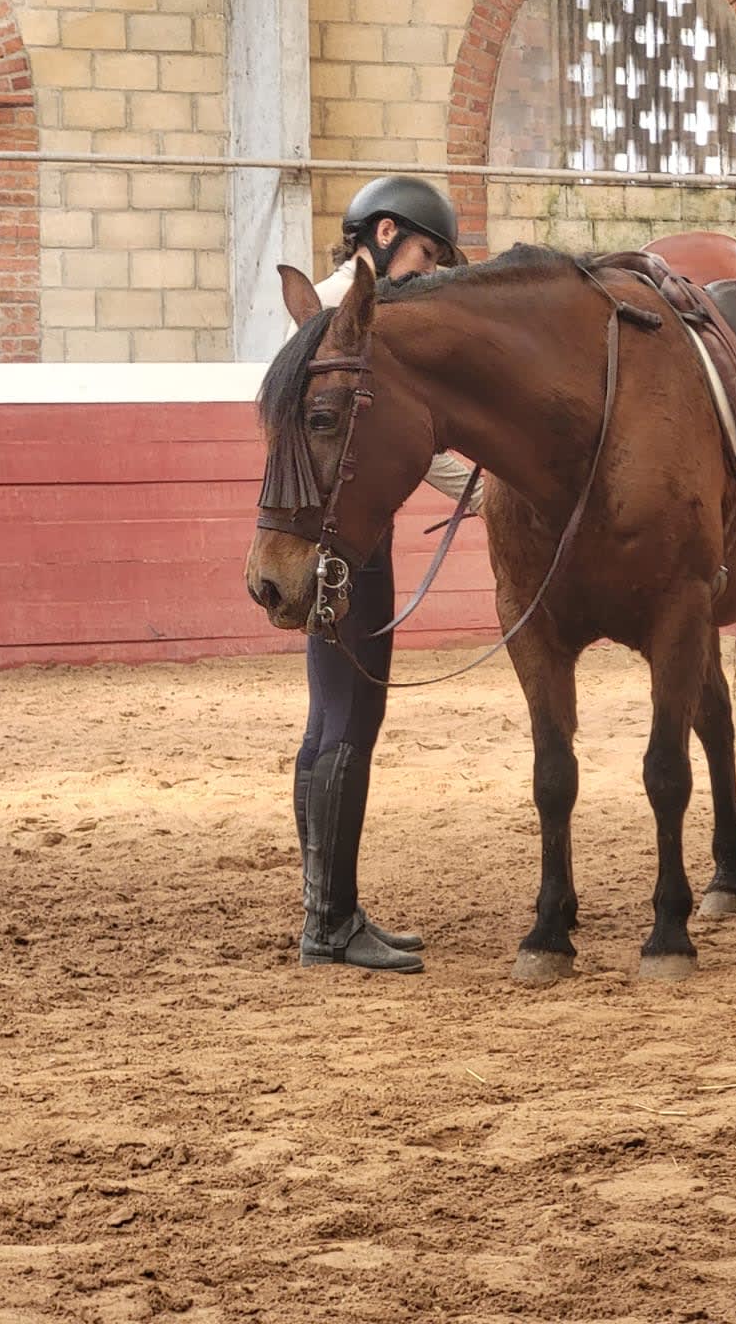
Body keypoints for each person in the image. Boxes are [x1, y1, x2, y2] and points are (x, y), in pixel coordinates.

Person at [289, 177, 484, 974]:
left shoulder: (330, 316)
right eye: (424, 253)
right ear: (384, 233)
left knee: (328, 719)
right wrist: (487, 487)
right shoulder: (347, 320)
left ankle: (327, 911)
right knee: (348, 721)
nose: (426, 271)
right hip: (347, 542)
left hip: (339, 537)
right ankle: (330, 925)